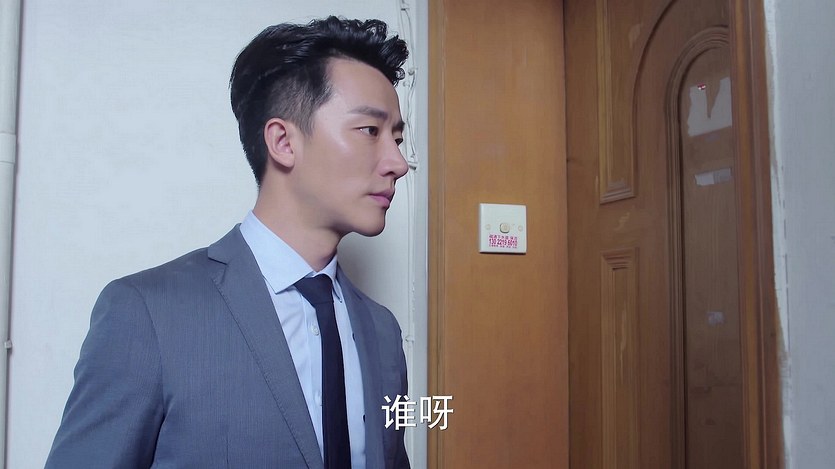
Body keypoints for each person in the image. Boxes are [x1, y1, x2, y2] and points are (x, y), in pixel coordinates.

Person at [46, 16, 411, 469]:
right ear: (283, 141)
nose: (398, 162)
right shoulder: (147, 313)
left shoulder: (382, 332)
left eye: (398, 138)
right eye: (370, 131)